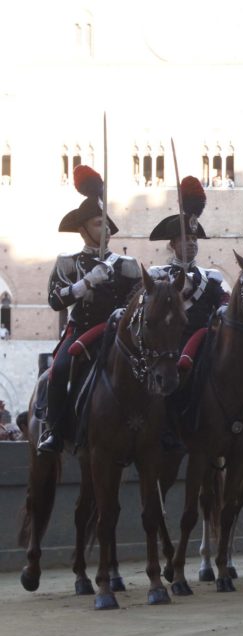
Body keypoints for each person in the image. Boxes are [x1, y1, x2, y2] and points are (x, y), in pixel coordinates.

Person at [38, 165, 142, 453]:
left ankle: (163, 428)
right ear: (82, 230)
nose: (106, 229)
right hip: (82, 331)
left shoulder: (127, 265)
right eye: (99, 224)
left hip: (119, 331)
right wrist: (85, 284)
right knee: (58, 370)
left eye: (107, 224)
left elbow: (138, 297)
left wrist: (126, 310)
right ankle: (54, 431)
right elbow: (55, 300)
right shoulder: (68, 262)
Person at [147, 176, 229, 341]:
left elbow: (223, 300)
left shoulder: (210, 277)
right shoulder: (157, 275)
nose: (191, 243)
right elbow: (143, 304)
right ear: (173, 243)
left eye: (194, 239)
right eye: (186, 239)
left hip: (200, 345)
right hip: (166, 343)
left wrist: (224, 307)